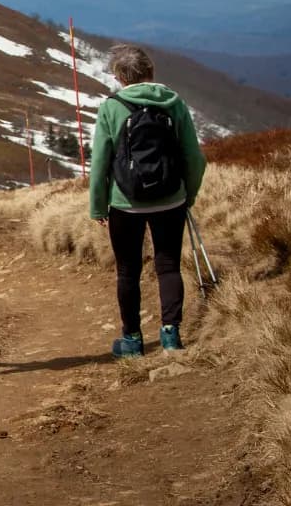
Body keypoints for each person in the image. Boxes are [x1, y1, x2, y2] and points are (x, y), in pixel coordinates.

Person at [89, 44, 206, 358]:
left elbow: (100, 162)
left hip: (125, 202)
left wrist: (98, 206)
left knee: (128, 270)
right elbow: (194, 157)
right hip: (171, 199)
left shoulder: (111, 107)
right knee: (168, 266)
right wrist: (188, 194)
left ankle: (132, 340)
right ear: (151, 71)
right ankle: (171, 336)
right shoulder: (174, 103)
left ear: (119, 76)